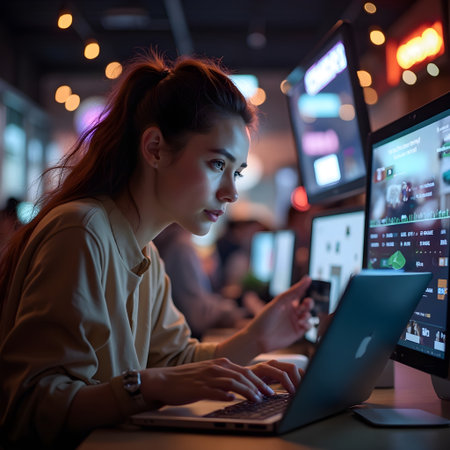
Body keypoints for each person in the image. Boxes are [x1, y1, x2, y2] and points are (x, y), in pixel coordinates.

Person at [0, 51, 314, 449]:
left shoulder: (143, 250)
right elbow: (33, 406)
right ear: (155, 149)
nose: (231, 192)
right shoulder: (82, 230)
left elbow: (175, 363)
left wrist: (256, 338)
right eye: (218, 164)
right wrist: (150, 386)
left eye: (237, 173)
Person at [153, 223, 247, 339]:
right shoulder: (181, 248)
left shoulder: (170, 243)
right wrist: (233, 310)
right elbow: (197, 316)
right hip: (185, 338)